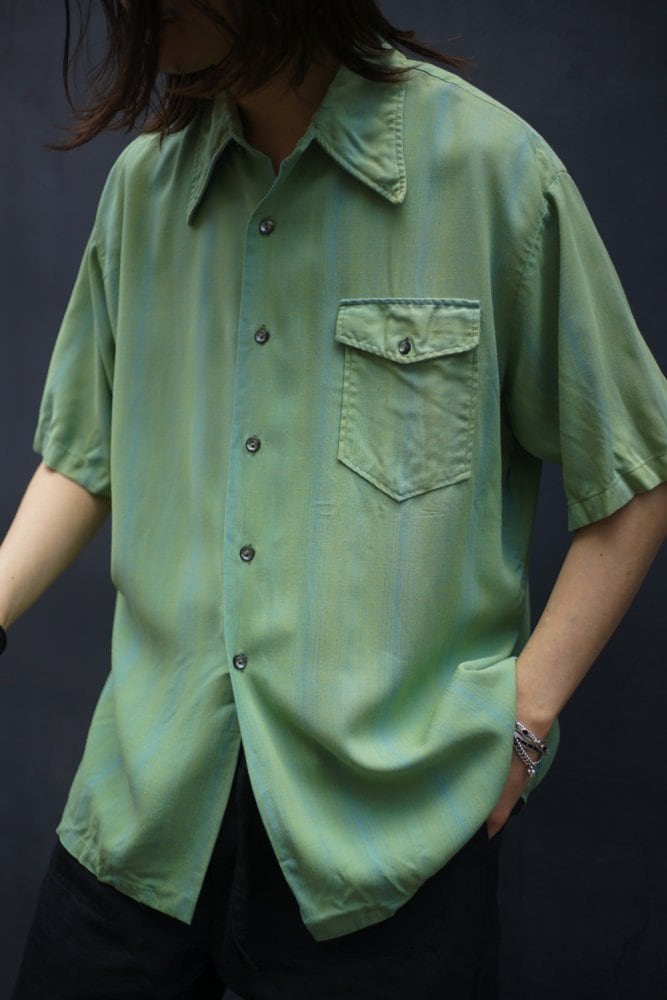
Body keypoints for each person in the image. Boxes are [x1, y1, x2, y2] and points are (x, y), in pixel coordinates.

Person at [3, 1, 666, 997]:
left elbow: (635, 476)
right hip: (147, 801)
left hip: (390, 833)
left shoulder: (492, 171)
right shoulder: (143, 189)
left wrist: (522, 726)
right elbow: (80, 456)